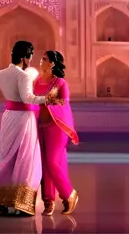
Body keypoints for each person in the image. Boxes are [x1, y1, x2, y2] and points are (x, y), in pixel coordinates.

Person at [0, 40, 59, 216]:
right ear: (24, 57)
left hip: (8, 118)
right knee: (26, 159)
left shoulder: (0, 73)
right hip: (23, 119)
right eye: (30, 56)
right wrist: (46, 99)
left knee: (9, 158)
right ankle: (21, 202)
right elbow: (28, 98)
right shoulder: (23, 76)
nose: (31, 59)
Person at [34, 50, 79, 216]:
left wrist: (48, 102)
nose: (41, 61)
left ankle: (69, 194)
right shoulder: (36, 82)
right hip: (40, 126)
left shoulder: (60, 83)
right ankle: (48, 201)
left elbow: (65, 105)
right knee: (43, 164)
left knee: (52, 162)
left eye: (44, 59)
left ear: (52, 63)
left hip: (56, 127)